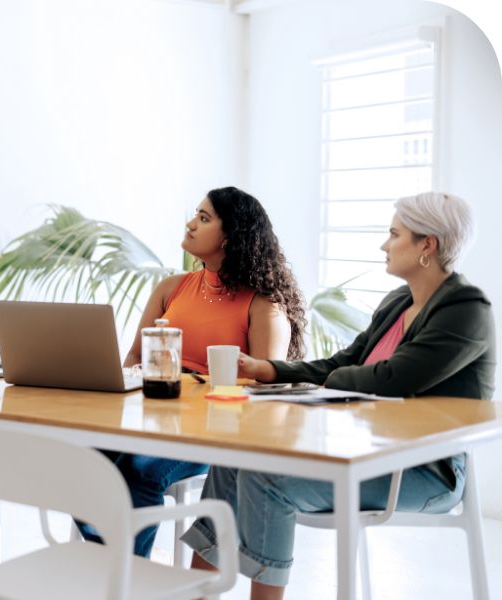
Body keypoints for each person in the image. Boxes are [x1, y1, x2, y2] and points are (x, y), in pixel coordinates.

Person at [181, 192, 495, 600]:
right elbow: (348, 360)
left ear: (427, 246)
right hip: (368, 453)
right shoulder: (399, 301)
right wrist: (271, 369)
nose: (385, 244)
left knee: (268, 480)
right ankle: (199, 594)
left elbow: (392, 379)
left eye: (394, 234)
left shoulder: (466, 308)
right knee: (232, 462)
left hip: (421, 474)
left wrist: (335, 382)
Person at [79, 186, 307, 557]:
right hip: (154, 413)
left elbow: (265, 391)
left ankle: (124, 576)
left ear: (232, 235)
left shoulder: (263, 304)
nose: (190, 224)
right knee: (88, 454)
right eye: (195, 215)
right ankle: (103, 561)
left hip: (213, 430)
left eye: (204, 218)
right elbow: (135, 356)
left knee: (139, 471)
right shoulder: (171, 288)